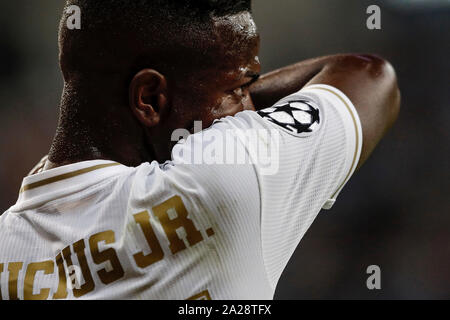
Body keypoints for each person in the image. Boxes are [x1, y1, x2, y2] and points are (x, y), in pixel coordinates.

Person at [0, 0, 400, 300]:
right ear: (150, 100)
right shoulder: (222, 176)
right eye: (236, 90)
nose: (247, 111)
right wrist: (245, 121)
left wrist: (222, 100)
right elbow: (370, 76)